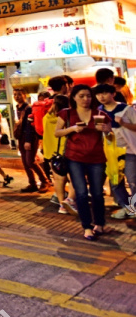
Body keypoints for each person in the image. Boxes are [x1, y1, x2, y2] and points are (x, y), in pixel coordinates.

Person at [55, 84, 111, 240]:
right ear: (73, 97)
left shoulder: (100, 114)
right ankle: (86, 227)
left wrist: (106, 130)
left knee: (97, 193)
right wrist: (72, 129)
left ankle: (99, 224)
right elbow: (57, 133)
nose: (86, 99)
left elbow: (111, 137)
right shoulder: (66, 113)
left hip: (97, 158)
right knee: (80, 193)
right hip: (75, 158)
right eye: (81, 96)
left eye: (88, 96)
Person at [94, 83, 136, 220]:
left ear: (113, 94)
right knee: (115, 180)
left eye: (105, 93)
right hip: (110, 150)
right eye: (98, 94)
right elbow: (99, 131)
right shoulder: (99, 111)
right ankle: (127, 207)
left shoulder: (125, 109)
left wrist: (123, 123)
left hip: (129, 149)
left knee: (132, 179)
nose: (101, 96)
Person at [42, 95, 75, 214]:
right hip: (67, 151)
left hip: (52, 152)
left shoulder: (46, 117)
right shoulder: (67, 117)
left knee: (58, 180)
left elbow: (43, 133)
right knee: (74, 179)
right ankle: (70, 200)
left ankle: (62, 205)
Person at [13, 89, 49, 193]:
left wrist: (28, 140)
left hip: (30, 137)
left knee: (30, 161)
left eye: (19, 94)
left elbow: (30, 126)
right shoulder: (18, 107)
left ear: (24, 95)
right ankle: (32, 184)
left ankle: (44, 181)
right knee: (25, 162)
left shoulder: (28, 108)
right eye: (15, 95)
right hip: (21, 137)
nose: (17, 96)